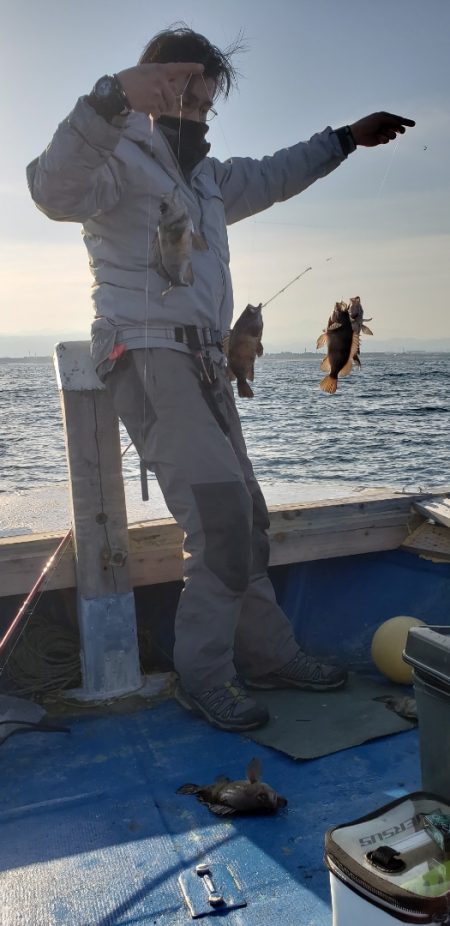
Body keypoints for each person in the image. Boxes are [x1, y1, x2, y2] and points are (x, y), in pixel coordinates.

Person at [27, 26, 415, 733]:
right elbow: (51, 189)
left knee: (248, 520)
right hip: (147, 359)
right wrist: (108, 99)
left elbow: (274, 173)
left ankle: (267, 654)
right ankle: (203, 677)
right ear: (153, 84)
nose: (200, 107)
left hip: (205, 363)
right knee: (219, 520)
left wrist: (344, 140)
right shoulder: (113, 154)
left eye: (207, 98)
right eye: (186, 91)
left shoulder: (208, 177)